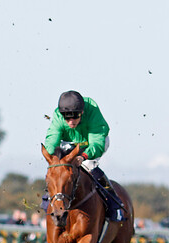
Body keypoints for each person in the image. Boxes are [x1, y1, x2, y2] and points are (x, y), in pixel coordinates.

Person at [44, 90, 125, 222]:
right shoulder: (58, 116)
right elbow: (52, 140)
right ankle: (48, 200)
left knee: (89, 166)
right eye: (67, 118)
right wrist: (52, 157)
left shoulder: (92, 110)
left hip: (93, 144)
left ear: (82, 112)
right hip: (70, 144)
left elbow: (97, 142)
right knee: (58, 169)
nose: (71, 122)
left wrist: (84, 156)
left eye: (75, 117)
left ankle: (114, 204)